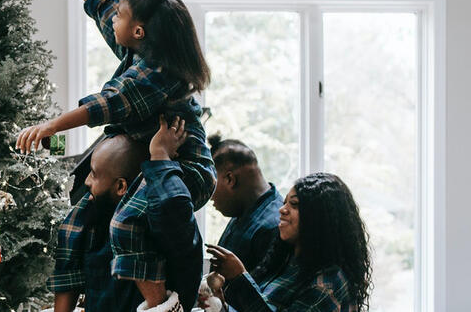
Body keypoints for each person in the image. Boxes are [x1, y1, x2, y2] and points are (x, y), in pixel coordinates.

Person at [16, 0, 214, 308]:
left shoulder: (157, 73)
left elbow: (106, 103)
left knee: (125, 223)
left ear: (138, 30)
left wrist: (51, 126)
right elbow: (100, 3)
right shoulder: (138, 42)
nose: (115, 18)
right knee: (74, 221)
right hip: (148, 156)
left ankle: (161, 305)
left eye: (123, 15)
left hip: (185, 170)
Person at [51, 119, 194, 312]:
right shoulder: (91, 223)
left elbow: (173, 202)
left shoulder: (156, 229)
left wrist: (160, 157)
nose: (86, 181)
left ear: (120, 186)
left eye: (93, 173)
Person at [206, 173, 372, 312]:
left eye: (294, 204)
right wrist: (222, 306)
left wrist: (240, 277)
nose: (282, 209)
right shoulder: (287, 261)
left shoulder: (326, 285)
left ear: (319, 218)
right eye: (285, 202)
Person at [208, 134, 283, 271]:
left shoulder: (274, 227)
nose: (209, 196)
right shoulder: (242, 211)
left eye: (210, 185)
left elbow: (258, 291)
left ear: (230, 179)